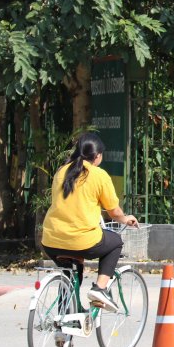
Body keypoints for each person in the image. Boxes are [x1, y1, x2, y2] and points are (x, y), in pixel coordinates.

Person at [41, 133, 138, 313]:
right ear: (98, 156)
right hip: (82, 240)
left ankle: (65, 316)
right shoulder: (99, 175)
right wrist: (126, 219)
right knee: (115, 242)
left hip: (51, 240)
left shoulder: (61, 171)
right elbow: (114, 212)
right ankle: (100, 289)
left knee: (71, 270)